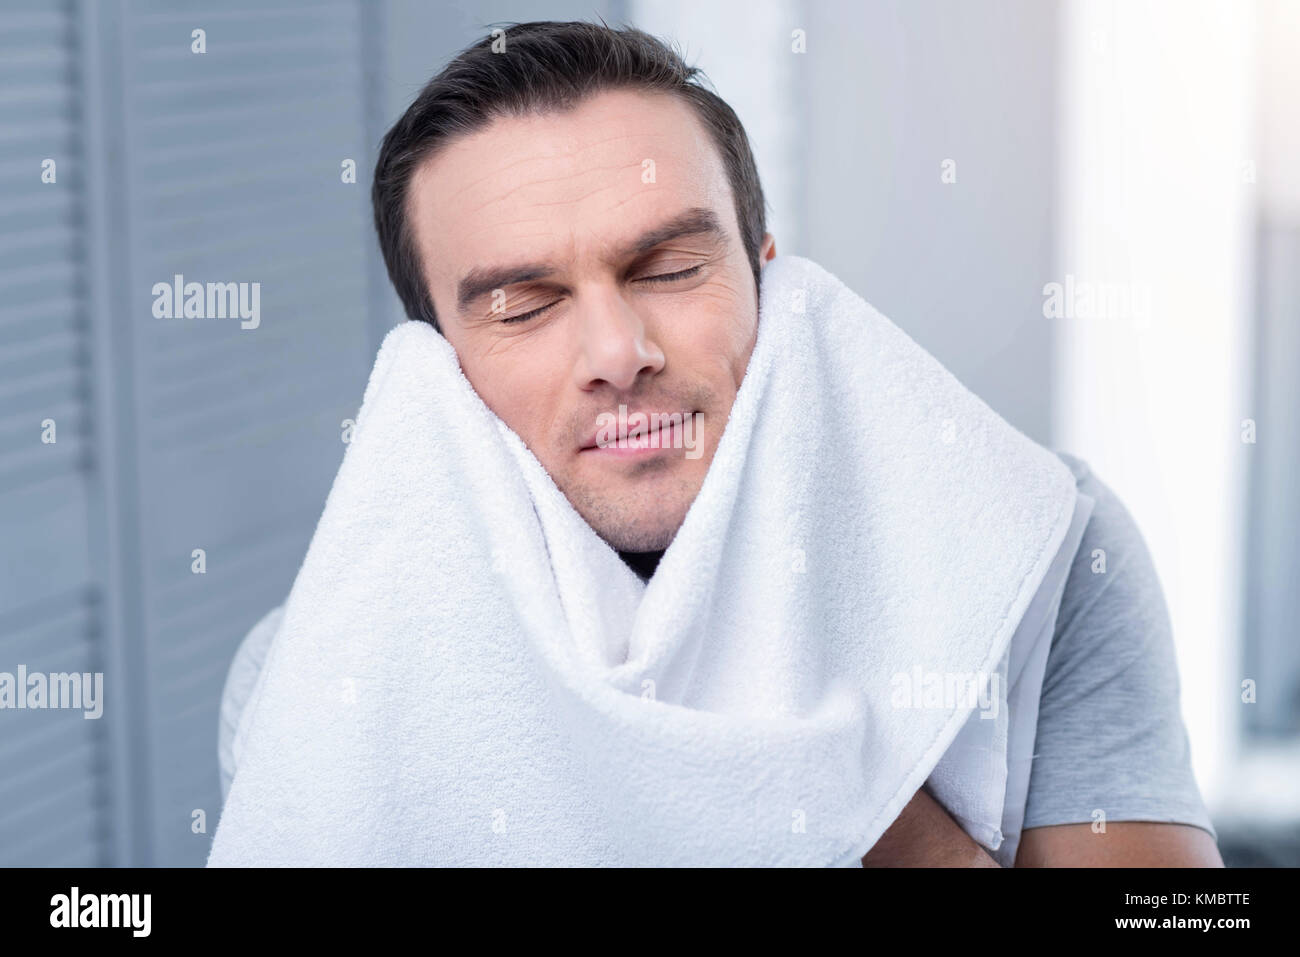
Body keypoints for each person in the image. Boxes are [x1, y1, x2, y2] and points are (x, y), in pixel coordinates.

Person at [219, 20, 1221, 866]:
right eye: (525, 305)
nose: (617, 353)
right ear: (433, 377)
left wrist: (847, 785)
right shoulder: (321, 680)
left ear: (770, 286)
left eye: (665, 269)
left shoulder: (1039, 556)